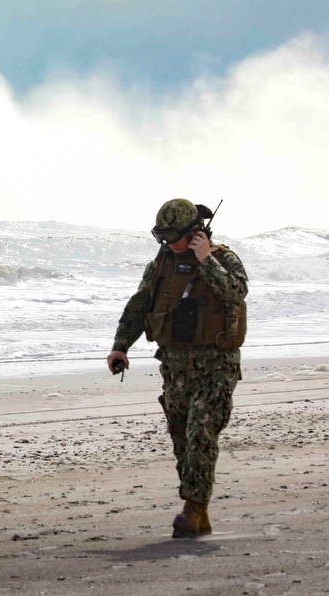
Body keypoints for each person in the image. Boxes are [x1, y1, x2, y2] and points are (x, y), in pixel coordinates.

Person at [106, 198, 248, 538]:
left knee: (202, 430)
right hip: (175, 367)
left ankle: (194, 508)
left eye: (173, 237)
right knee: (182, 438)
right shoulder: (161, 264)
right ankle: (199, 512)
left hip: (216, 366)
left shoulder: (222, 258)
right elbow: (140, 306)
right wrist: (120, 347)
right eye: (162, 238)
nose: (168, 244)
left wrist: (205, 260)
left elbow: (236, 293)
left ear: (195, 232)